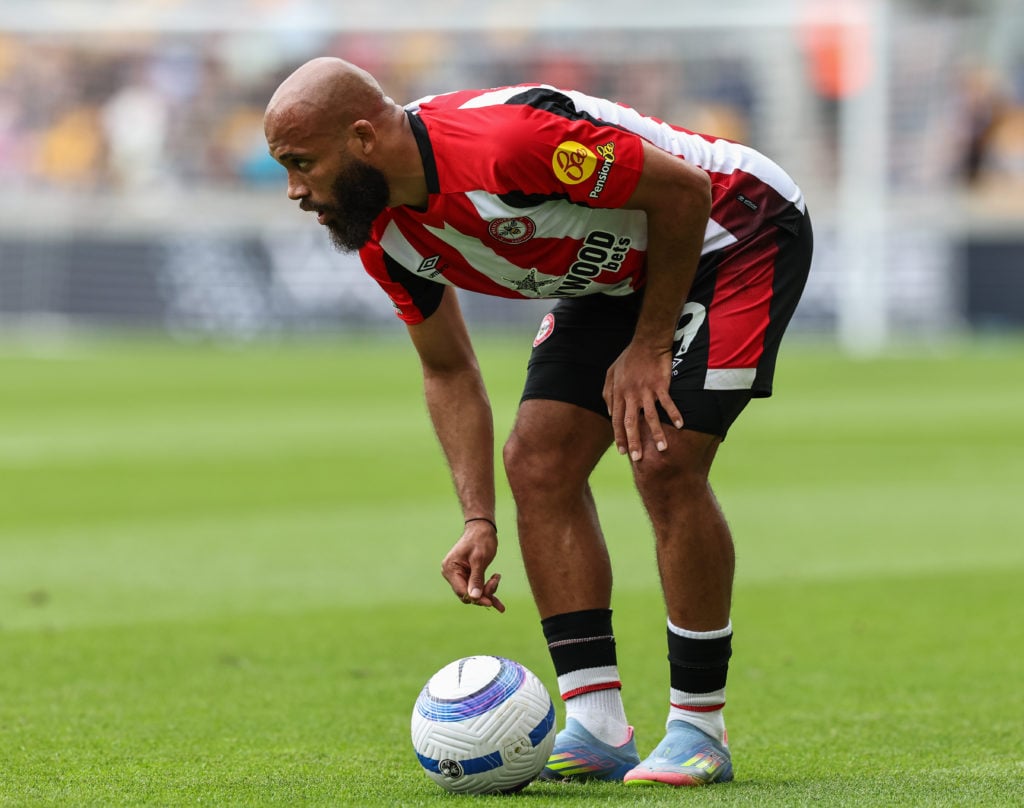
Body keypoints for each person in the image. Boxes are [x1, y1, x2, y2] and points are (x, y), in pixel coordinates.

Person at [264, 57, 812, 788]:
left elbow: (684, 192)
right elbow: (449, 370)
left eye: (302, 164)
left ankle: (698, 729)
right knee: (537, 463)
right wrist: (476, 518)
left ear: (363, 138)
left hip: (731, 227)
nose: (296, 191)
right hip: (616, 269)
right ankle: (596, 725)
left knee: (662, 455)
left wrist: (649, 347)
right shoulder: (381, 237)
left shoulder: (505, 143)